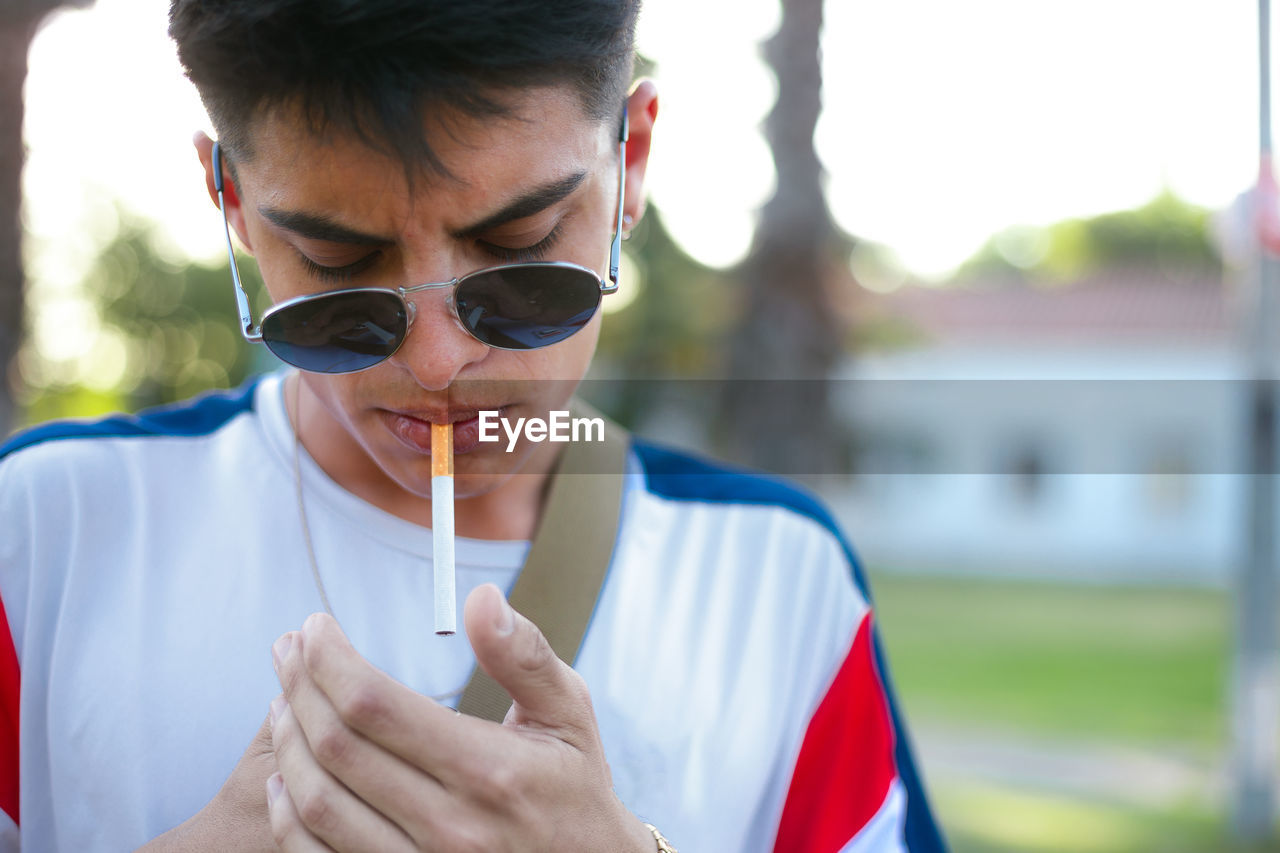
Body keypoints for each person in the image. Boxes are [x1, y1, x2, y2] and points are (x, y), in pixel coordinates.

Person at [0, 1, 945, 850]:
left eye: (522, 252)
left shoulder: (778, 579)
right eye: (338, 263)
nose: (438, 362)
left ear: (632, 163)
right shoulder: (39, 537)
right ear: (232, 202)